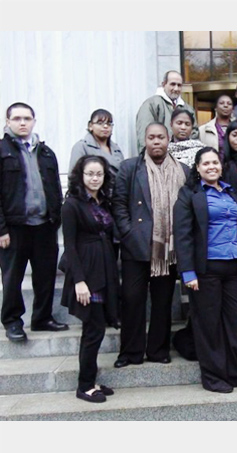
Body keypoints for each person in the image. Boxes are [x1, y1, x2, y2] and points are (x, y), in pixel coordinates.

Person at [174, 147, 237, 393]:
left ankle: (231, 369)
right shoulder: (189, 194)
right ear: (197, 168)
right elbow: (183, 235)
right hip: (205, 270)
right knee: (209, 324)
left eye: (215, 163)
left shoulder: (231, 192)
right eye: (205, 163)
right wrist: (188, 272)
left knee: (236, 320)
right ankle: (214, 376)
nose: (211, 167)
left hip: (233, 268)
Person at [112, 122, 189, 368]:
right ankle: (130, 352)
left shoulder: (184, 170)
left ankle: (158, 350)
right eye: (151, 137)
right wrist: (129, 233)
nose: (156, 142)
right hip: (137, 247)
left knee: (163, 301)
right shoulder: (130, 168)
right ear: (145, 140)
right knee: (133, 300)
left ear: (169, 140)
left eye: (161, 137)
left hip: (169, 249)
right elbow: (119, 205)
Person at [0, 102, 68, 342]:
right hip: (14, 227)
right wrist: (1, 229)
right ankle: (12, 322)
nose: (22, 122)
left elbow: (56, 189)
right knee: (12, 278)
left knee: (45, 275)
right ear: (7, 122)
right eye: (16, 118)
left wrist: (56, 218)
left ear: (34, 122)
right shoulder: (2, 151)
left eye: (27, 118)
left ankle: (42, 318)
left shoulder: (46, 152)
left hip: (44, 226)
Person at [61, 155, 119, 403]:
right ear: (80, 175)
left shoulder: (102, 201)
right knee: (93, 329)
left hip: (104, 269)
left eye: (99, 174)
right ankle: (84, 386)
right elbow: (70, 246)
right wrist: (79, 281)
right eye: (90, 174)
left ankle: (91, 380)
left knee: (97, 328)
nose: (94, 178)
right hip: (86, 273)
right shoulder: (71, 205)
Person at [136, 70, 198, 151]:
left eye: (179, 85)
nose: (176, 88)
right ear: (163, 84)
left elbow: (194, 135)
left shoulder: (188, 109)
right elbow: (144, 136)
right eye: (172, 84)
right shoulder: (150, 105)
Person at [69, 109, 125, 178]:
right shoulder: (82, 147)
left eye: (109, 123)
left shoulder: (116, 149)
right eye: (100, 123)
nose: (105, 126)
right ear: (90, 126)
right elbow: (73, 177)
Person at [199, 94, 234, 160]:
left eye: (229, 104)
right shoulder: (203, 130)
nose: (225, 105)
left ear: (232, 108)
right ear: (216, 108)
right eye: (222, 103)